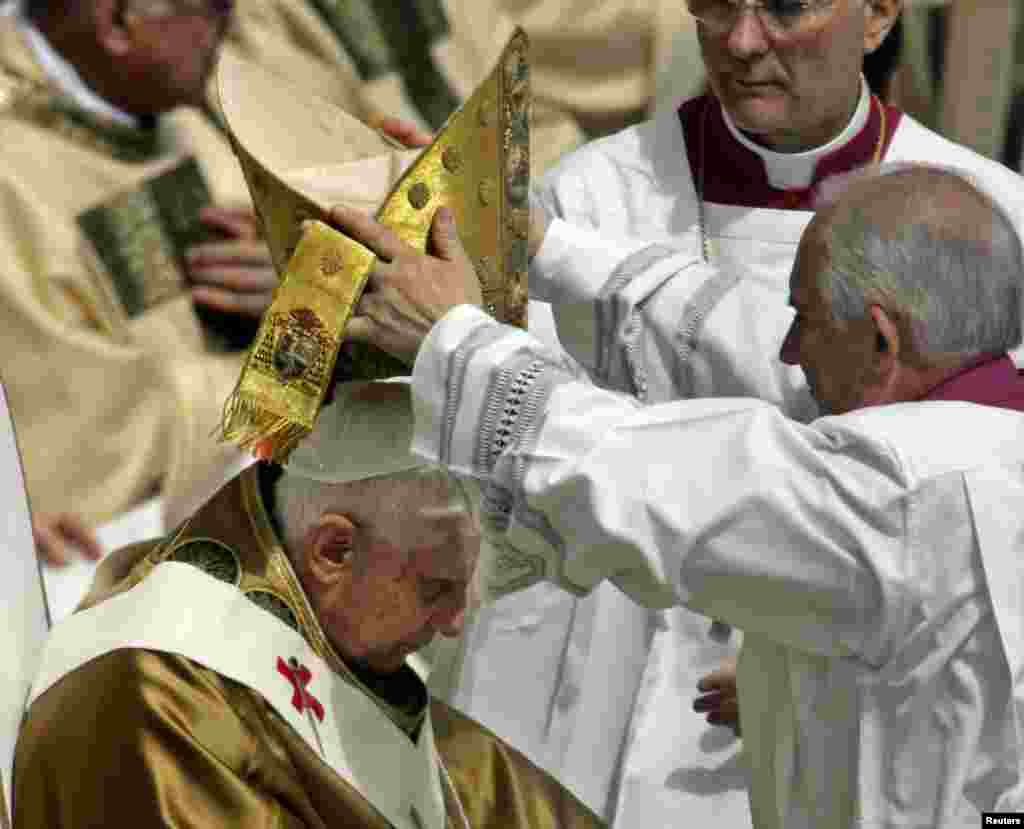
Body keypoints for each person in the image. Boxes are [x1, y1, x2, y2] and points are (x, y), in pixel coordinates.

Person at [338, 0, 1024, 823]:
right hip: (586, 679)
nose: (740, 41)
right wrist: (540, 240)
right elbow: (728, 338)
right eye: (715, 1)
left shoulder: (981, 225)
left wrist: (453, 341)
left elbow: (649, 470)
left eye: (784, 6)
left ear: (878, 13)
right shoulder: (596, 188)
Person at [13, 378, 605, 829]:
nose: (453, 625)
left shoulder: (358, 663)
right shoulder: (153, 701)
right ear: (333, 550)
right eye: (436, 589)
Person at [0, 0, 282, 526]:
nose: (236, 23)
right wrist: (311, 341)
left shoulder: (158, 99)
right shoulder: (13, 176)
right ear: (120, 22)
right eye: (215, 8)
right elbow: (88, 438)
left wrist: (297, 271)